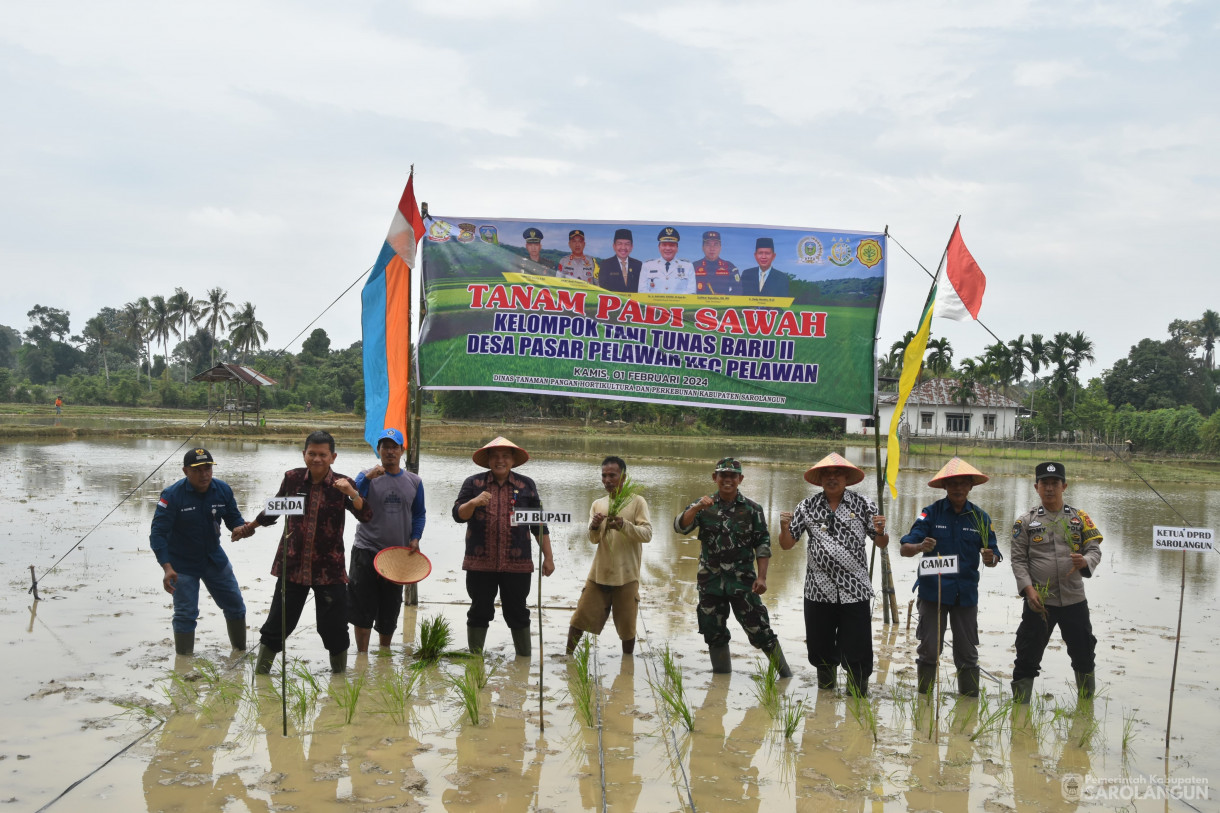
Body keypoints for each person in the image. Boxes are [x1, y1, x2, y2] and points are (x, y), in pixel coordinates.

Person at [236, 430, 372, 674]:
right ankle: (262, 675)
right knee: (277, 625)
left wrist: (352, 494)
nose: (317, 459)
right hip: (292, 566)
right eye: (312, 454)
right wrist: (249, 528)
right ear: (304, 454)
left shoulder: (343, 484)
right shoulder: (293, 479)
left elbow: (365, 515)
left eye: (323, 454)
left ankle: (339, 679)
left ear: (333, 457)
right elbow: (276, 508)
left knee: (334, 629)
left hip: (329, 570)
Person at [779, 452, 887, 694]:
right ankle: (825, 698)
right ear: (819, 480)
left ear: (846, 478)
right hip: (818, 590)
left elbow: (881, 543)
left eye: (837, 473)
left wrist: (881, 531)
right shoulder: (806, 506)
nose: (832, 478)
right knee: (821, 648)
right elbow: (786, 544)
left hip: (855, 589)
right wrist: (784, 528)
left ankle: (857, 695)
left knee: (858, 649)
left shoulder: (864, 504)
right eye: (826, 474)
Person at [675, 457, 791, 676]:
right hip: (710, 582)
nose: (727, 480)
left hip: (743, 582)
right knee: (713, 631)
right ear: (715, 478)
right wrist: (698, 505)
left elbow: (763, 544)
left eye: (732, 476)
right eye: (723, 475)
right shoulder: (703, 506)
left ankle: (786, 675)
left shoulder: (752, 509)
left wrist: (762, 578)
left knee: (760, 629)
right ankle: (721, 681)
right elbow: (680, 526)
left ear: (740, 479)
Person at [899, 457, 1000, 697]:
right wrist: (920, 546)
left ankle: (968, 703)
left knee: (967, 653)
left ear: (970, 486)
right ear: (944, 487)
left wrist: (990, 558)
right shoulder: (930, 514)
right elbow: (905, 548)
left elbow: (994, 554)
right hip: (933, 592)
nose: (957, 488)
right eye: (952, 483)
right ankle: (923, 704)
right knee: (929, 651)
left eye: (962, 483)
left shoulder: (981, 518)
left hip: (965, 595)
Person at [452, 437, 555, 656]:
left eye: (505, 456)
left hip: (516, 565)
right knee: (479, 610)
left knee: (517, 612)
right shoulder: (474, 483)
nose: (500, 460)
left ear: (512, 460)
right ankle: (475, 660)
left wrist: (549, 557)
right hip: (480, 564)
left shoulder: (526, 485)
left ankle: (524, 658)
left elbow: (538, 524)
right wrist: (473, 502)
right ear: (488, 460)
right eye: (495, 456)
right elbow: (458, 515)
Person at [1009, 462, 1103, 702]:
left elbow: (1094, 549)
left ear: (1064, 486)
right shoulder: (1025, 522)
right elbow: (1018, 561)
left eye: (1054, 483)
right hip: (1039, 601)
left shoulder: (1080, 518)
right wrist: (1029, 591)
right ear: (1036, 487)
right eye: (1045, 484)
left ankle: (1086, 705)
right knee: (1027, 655)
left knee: (1084, 653)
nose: (1050, 488)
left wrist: (1085, 561)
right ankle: (1020, 711)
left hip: (1074, 599)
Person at [149, 448, 249, 656]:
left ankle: (240, 653)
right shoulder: (172, 495)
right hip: (182, 564)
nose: (204, 474)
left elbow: (234, 520)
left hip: (214, 559)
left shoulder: (222, 490)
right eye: (198, 470)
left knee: (236, 606)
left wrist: (242, 529)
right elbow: (157, 534)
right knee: (185, 614)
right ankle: (184, 664)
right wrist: (167, 567)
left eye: (208, 469)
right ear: (186, 471)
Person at [348, 428, 426, 652]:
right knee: (362, 607)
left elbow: (419, 513)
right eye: (385, 447)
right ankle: (362, 655)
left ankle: (384, 653)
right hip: (366, 550)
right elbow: (354, 500)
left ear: (402, 450)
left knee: (390, 606)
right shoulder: (366, 476)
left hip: (397, 554)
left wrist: (415, 537)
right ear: (378, 450)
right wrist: (367, 479)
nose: (390, 451)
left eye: (394, 447)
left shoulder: (414, 481)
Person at [566, 456, 652, 655]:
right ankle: (567, 659)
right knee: (578, 620)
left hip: (627, 577)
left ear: (623, 478)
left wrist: (624, 525)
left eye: (612, 475)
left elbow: (647, 534)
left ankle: (627, 663)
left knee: (627, 630)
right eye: (603, 476)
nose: (607, 480)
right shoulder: (598, 504)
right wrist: (595, 526)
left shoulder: (637, 502)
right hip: (599, 575)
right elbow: (593, 539)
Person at [639, 226, 695, 294]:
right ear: (659, 247)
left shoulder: (688, 266)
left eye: (671, 245)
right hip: (654, 305)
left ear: (677, 248)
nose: (668, 248)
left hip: (679, 305)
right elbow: (642, 292)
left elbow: (691, 292)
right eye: (664, 245)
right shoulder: (647, 266)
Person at [692, 230, 741, 295]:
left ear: (720, 248)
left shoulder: (729, 266)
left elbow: (739, 290)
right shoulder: (694, 266)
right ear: (703, 247)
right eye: (708, 244)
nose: (712, 248)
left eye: (716, 244)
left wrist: (724, 297)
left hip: (723, 304)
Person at [599, 229, 642, 293]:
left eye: (627, 244)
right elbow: (603, 289)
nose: (623, 248)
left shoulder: (638, 265)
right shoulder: (606, 265)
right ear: (614, 246)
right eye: (619, 243)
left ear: (631, 247)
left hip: (633, 302)